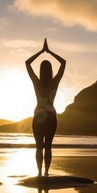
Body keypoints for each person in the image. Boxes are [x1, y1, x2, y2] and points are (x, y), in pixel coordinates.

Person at [25, 39, 66, 176]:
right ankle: (47, 173)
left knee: (39, 147)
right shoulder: (54, 83)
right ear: (51, 71)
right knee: (48, 146)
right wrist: (49, 52)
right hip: (50, 117)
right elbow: (64, 63)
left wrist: (41, 52)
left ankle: (39, 173)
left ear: (41, 71)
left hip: (38, 116)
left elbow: (27, 63)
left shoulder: (37, 83)